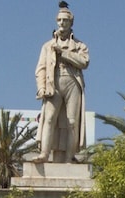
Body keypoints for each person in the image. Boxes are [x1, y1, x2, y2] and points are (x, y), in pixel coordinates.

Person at [34, 1, 90, 164]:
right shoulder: (47, 46)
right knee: (49, 118)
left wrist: (63, 53)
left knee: (72, 121)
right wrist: (41, 87)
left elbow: (84, 62)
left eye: (65, 20)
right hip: (54, 82)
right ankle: (44, 154)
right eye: (59, 20)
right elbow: (41, 69)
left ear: (71, 22)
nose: (62, 23)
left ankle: (69, 158)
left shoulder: (80, 45)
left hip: (73, 81)